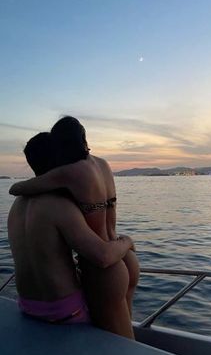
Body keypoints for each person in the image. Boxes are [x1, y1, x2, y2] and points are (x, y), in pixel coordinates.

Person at [10, 117, 140, 320]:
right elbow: (102, 253)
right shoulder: (99, 165)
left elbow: (16, 188)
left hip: (98, 272)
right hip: (117, 254)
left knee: (119, 343)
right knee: (124, 338)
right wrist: (128, 241)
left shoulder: (19, 206)